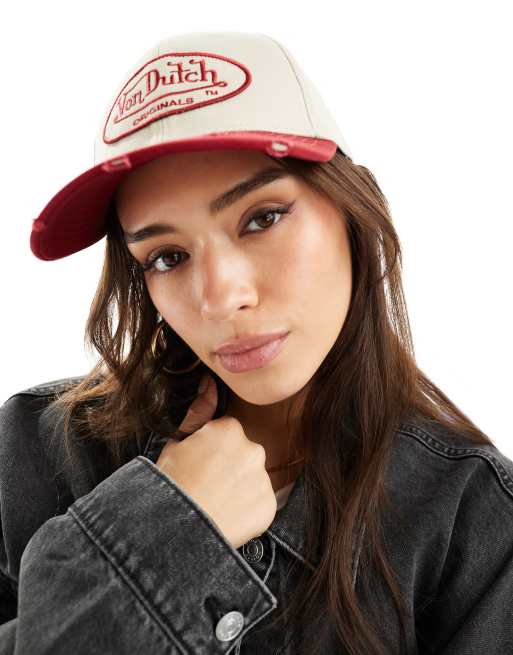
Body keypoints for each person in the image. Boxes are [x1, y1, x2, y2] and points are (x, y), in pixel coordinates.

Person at [1, 30, 512, 655]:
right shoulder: (38, 452)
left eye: (262, 218)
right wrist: (158, 535)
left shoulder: (476, 524)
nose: (221, 298)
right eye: (167, 256)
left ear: (352, 211)